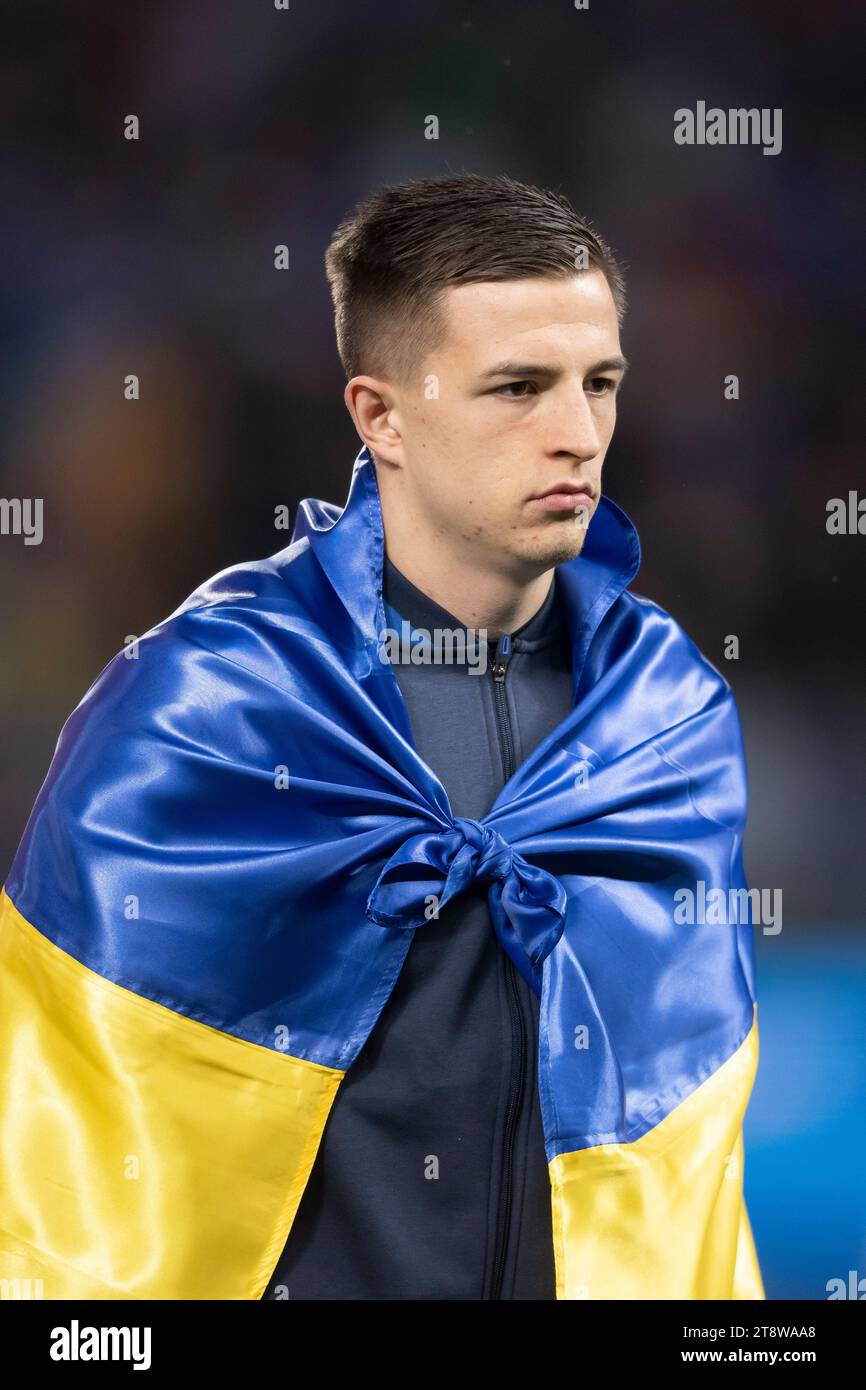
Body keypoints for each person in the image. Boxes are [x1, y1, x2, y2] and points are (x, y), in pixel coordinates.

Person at [0, 174, 764, 1301]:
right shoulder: (203, 705)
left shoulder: (667, 716)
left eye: (597, 383)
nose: (576, 435)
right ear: (380, 415)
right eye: (517, 387)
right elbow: (73, 1177)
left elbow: (688, 1178)